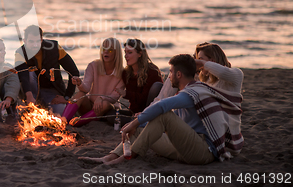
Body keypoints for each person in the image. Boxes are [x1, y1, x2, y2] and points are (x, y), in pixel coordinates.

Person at [81, 54, 244, 165]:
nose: (169, 76)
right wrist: (138, 123)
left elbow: (162, 105)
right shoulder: (186, 90)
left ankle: (123, 159)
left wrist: (133, 122)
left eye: (171, 72)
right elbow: (161, 102)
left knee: (163, 116)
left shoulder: (194, 92)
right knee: (141, 128)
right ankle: (108, 157)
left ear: (179, 74)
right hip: (184, 148)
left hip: (202, 152)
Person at [15, 25, 79, 115]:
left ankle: (43, 105)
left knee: (60, 112)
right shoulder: (19, 53)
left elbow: (73, 72)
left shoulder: (55, 48)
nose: (35, 45)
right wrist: (28, 95)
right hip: (29, 91)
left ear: (42, 40)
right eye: (31, 41)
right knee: (28, 73)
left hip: (51, 91)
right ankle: (31, 105)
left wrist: (67, 96)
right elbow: (23, 76)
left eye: (38, 41)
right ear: (24, 41)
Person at [61, 38, 124, 126]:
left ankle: (77, 123)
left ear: (116, 53)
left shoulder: (123, 73)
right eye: (103, 49)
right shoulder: (93, 65)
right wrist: (80, 83)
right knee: (80, 94)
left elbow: (114, 97)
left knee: (105, 104)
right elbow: (86, 88)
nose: (105, 52)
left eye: (109, 50)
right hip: (91, 107)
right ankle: (62, 121)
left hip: (108, 110)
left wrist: (101, 98)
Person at [115, 38, 163, 114]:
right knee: (111, 114)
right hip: (134, 112)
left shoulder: (152, 71)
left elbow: (145, 98)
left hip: (150, 112)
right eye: (125, 52)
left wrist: (126, 94)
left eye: (130, 52)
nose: (125, 56)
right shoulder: (126, 73)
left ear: (140, 54)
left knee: (157, 86)